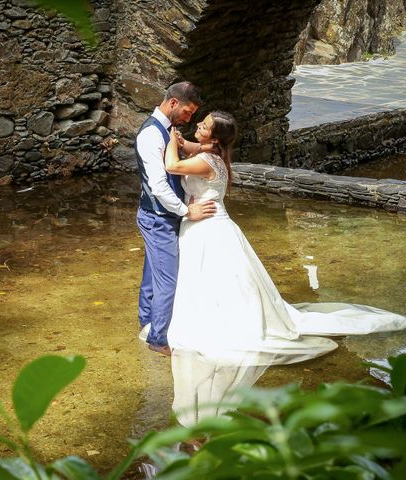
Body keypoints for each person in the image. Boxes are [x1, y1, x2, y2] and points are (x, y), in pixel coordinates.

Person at [162, 111, 406, 428]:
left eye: (203, 126)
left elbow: (172, 166)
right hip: (211, 225)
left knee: (212, 277)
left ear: (214, 138)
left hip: (207, 226)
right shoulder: (213, 154)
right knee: (220, 279)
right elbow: (192, 151)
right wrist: (184, 141)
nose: (198, 127)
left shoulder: (206, 161)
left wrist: (169, 137)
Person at [135, 81, 217, 356]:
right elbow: (158, 187)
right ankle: (158, 339)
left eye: (193, 115)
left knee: (152, 274)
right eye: (187, 112)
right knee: (168, 280)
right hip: (158, 217)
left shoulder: (169, 131)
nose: (189, 118)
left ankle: (146, 321)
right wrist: (186, 211)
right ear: (173, 103)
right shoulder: (151, 135)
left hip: (160, 216)